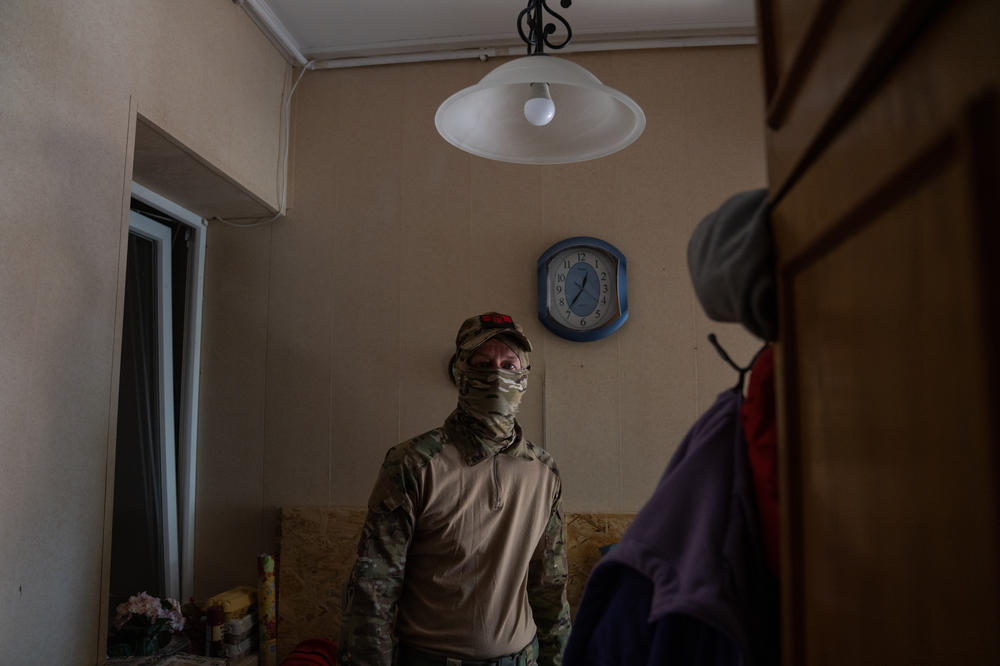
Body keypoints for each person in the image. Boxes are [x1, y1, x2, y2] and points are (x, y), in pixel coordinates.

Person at [339, 312, 571, 666]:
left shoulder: (543, 472)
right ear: (461, 372)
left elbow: (550, 585)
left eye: (509, 365)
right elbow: (375, 588)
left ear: (524, 377)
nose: (496, 375)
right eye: (482, 363)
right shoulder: (413, 463)